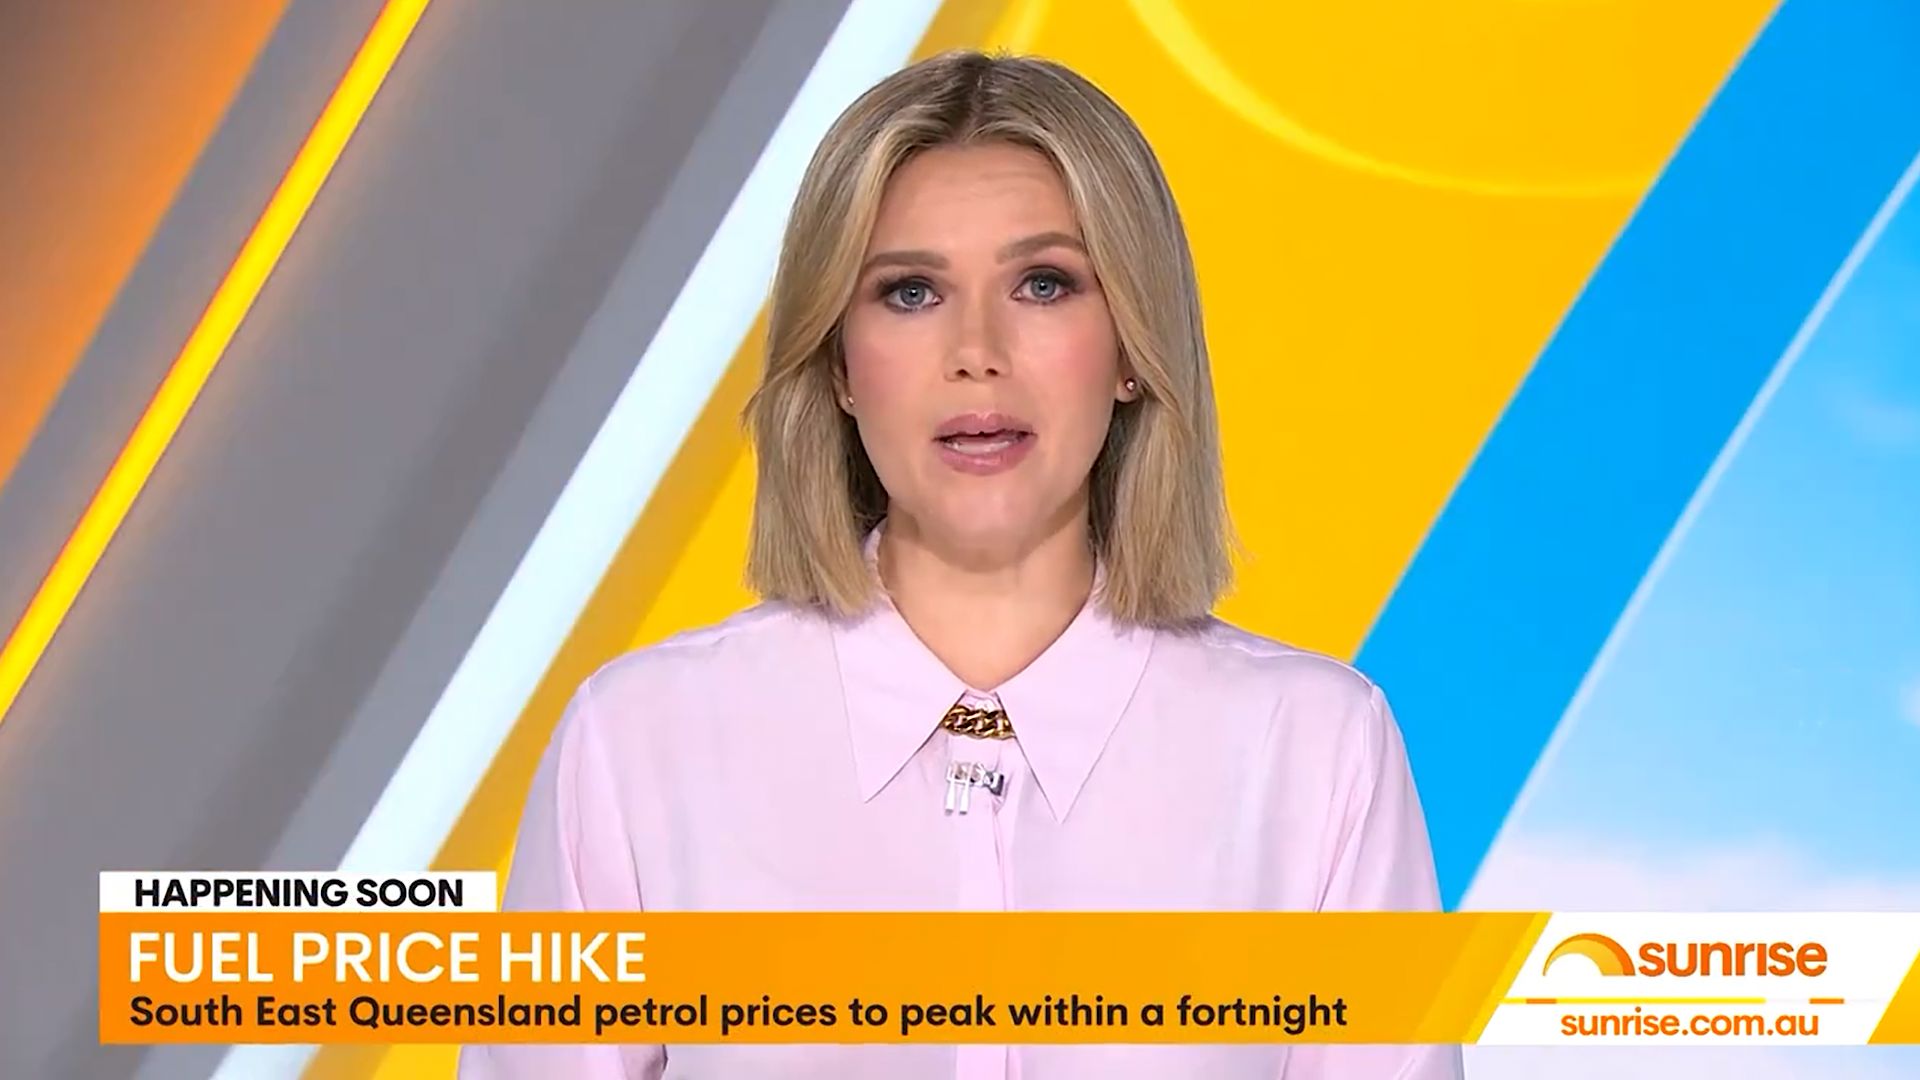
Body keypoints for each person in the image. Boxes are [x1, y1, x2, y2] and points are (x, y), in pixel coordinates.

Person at [459, 49, 1457, 1079]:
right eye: (910, 292)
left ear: (1131, 347)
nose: (977, 351)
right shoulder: (637, 746)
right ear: (839, 363)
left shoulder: (1317, 750)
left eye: (1042, 284)